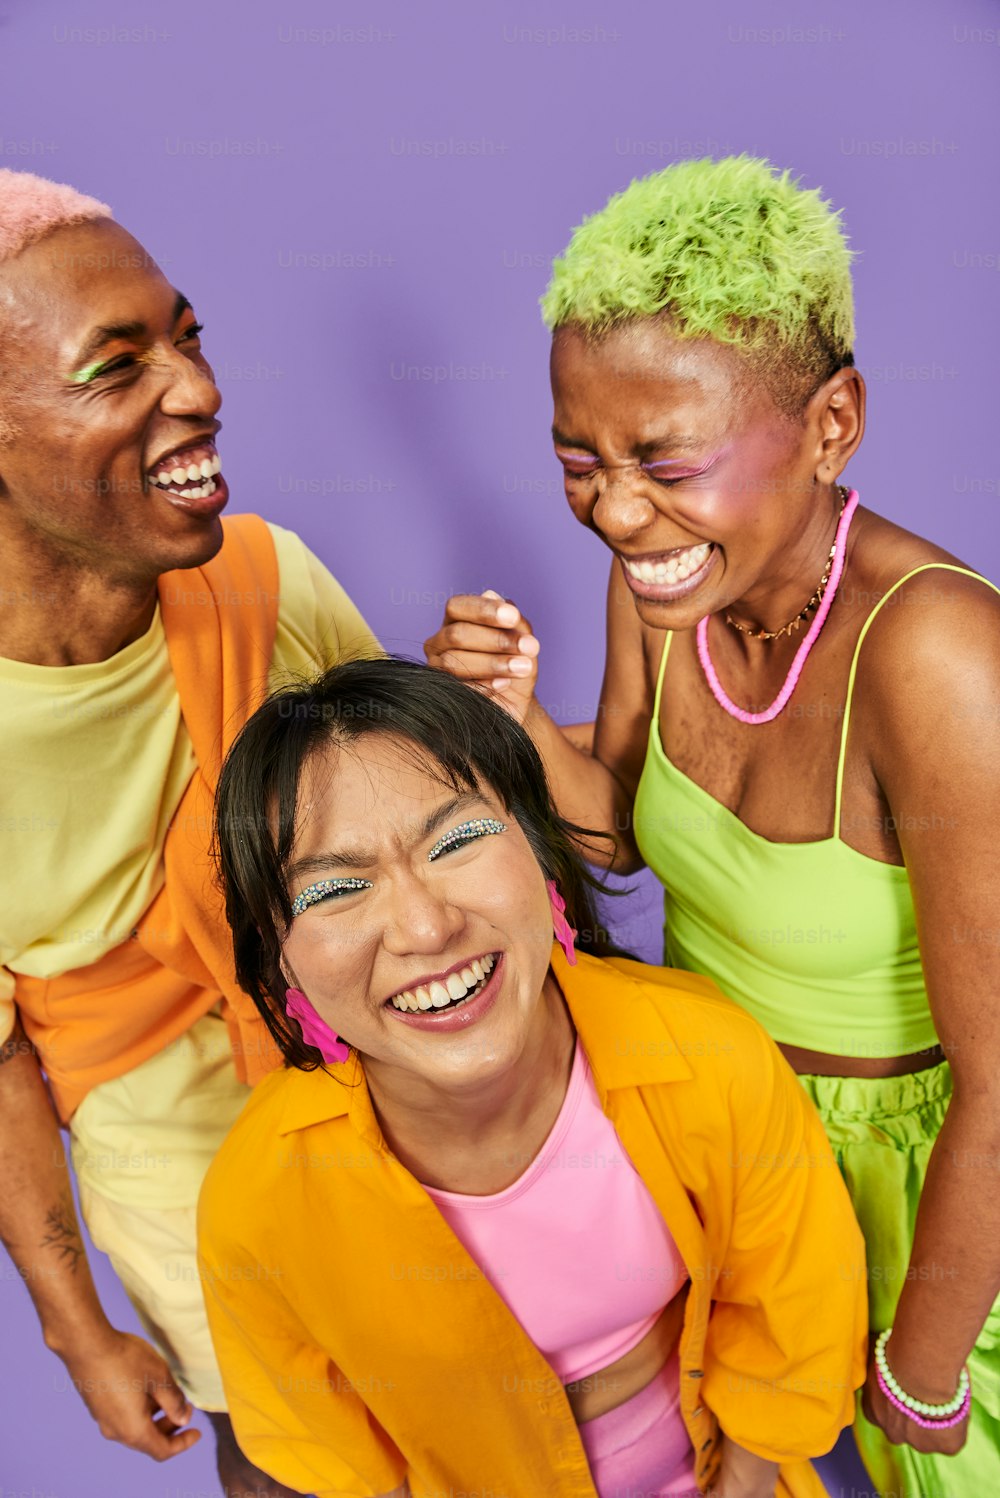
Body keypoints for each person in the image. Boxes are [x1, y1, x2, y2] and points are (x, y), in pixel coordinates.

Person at [425, 155, 1000, 1495]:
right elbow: (624, 829)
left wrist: (922, 1365)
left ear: (831, 423)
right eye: (581, 458)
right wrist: (511, 718)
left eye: (664, 461)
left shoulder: (940, 659)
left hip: (929, 1205)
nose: (617, 511)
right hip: (729, 1157)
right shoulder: (669, 576)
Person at [199, 656, 866, 1498]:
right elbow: (337, 1463)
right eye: (335, 888)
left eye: (458, 839)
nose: (423, 925)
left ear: (538, 851)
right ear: (282, 959)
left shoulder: (706, 1053)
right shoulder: (256, 1203)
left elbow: (792, 1314)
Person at [0, 169, 378, 1497]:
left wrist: (492, 726)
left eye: (188, 336)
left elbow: (444, 848)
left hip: (426, 1155)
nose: (198, 387)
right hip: (200, 1234)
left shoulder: (267, 581)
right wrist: (77, 1327)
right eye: (118, 365)